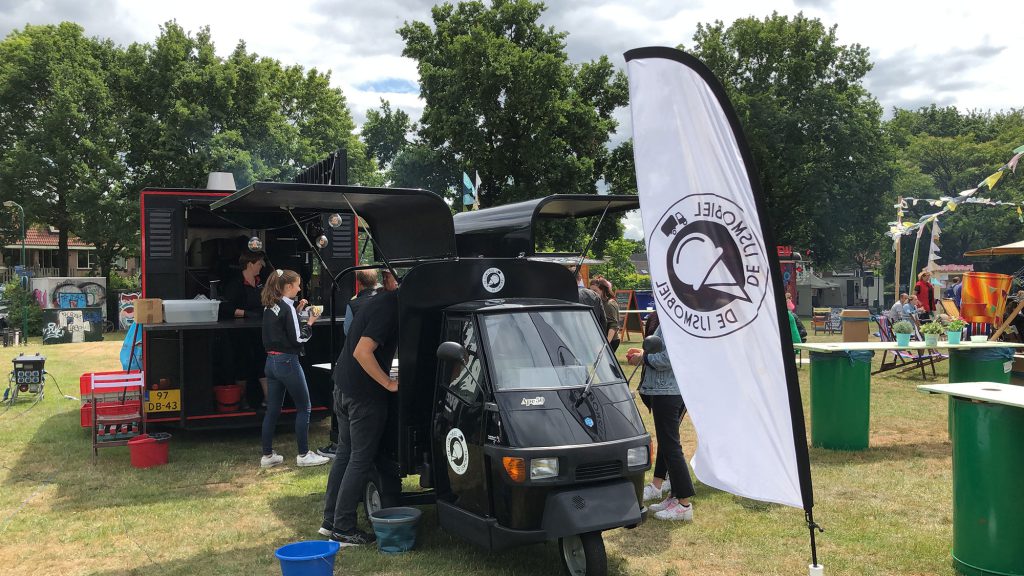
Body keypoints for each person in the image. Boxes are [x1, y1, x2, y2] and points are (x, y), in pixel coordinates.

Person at [322, 270, 400, 546]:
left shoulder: (375, 301)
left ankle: (330, 520)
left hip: (343, 387)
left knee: (345, 453)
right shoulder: (390, 308)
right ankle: (343, 528)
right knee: (359, 459)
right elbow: (362, 351)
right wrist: (389, 384)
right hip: (362, 395)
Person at [259, 269, 329, 469]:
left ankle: (267, 455)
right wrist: (310, 321)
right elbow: (299, 337)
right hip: (287, 362)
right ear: (288, 287)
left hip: (271, 362)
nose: (299, 288)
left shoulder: (270, 305)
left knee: (272, 410)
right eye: (297, 285)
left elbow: (282, 326)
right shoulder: (286, 307)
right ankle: (304, 454)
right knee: (304, 407)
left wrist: (297, 310)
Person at [626, 326, 695, 522]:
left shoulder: (675, 323)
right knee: (667, 445)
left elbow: (668, 358)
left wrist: (644, 358)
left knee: (672, 448)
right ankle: (674, 497)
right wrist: (643, 353)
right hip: (664, 390)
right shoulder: (670, 318)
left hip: (668, 392)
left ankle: (684, 504)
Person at [318, 269, 380, 459]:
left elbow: (348, 331)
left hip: (355, 363)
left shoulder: (353, 304)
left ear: (358, 283)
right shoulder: (383, 301)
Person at [223, 251, 269, 407]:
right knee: (242, 362)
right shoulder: (235, 283)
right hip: (240, 331)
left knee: (262, 360)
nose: (261, 266)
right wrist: (246, 314)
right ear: (250, 264)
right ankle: (240, 400)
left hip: (259, 329)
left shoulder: (260, 281)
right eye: (259, 263)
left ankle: (268, 398)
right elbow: (226, 308)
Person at [590, 276, 620, 352]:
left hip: (610, 340)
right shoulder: (598, 302)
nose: (593, 293)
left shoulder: (610, 304)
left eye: (595, 291)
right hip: (601, 339)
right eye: (591, 291)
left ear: (603, 290)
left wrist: (605, 345)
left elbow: (613, 326)